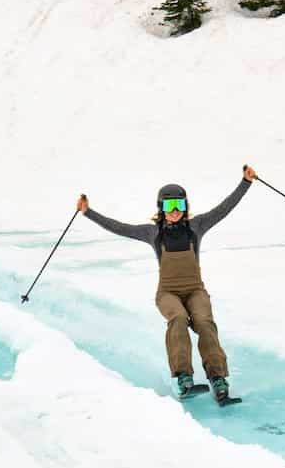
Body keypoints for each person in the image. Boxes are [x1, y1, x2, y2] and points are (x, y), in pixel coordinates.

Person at [77, 165, 257, 401]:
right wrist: (88, 212)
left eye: (179, 205)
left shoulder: (197, 227)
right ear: (161, 208)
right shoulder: (153, 233)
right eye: (169, 206)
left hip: (195, 290)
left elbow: (224, 209)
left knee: (204, 322)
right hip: (168, 293)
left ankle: (218, 378)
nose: (174, 211)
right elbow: (119, 227)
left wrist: (245, 182)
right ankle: (183, 377)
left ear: (186, 207)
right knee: (179, 319)